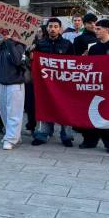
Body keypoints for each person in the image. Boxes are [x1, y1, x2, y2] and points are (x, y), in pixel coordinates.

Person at [80, 19, 109, 153]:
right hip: (94, 86)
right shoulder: (93, 48)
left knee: (107, 115)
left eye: (98, 29)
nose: (96, 31)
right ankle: (90, 140)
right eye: (95, 29)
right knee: (90, 114)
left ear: (107, 29)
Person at [32, 18, 76, 147]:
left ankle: (67, 136)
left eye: (56, 26)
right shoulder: (39, 44)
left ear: (60, 29)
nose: (52, 29)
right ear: (47, 28)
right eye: (50, 26)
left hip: (63, 85)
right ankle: (42, 135)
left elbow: (73, 63)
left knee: (65, 109)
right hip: (45, 85)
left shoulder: (67, 44)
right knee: (44, 107)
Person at [0, 35, 27, 151]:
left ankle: (11, 138)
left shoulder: (20, 45)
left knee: (14, 113)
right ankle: (12, 135)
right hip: (2, 83)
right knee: (4, 111)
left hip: (15, 84)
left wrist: (10, 42)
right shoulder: (1, 47)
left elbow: (17, 60)